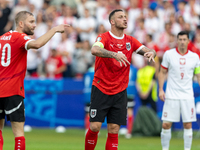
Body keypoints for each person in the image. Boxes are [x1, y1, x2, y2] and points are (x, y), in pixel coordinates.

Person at [85, 9, 156, 150]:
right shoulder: (104, 37)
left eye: (125, 17)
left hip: (119, 91)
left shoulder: (130, 40)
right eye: (120, 17)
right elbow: (94, 50)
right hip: (101, 88)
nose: (125, 19)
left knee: (114, 129)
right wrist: (113, 54)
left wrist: (151, 53)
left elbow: (148, 49)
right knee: (95, 126)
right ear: (112, 21)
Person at [0, 11, 70, 150]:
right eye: (31, 22)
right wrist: (55, 29)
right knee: (19, 133)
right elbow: (37, 44)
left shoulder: (2, 38)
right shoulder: (19, 37)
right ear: (21, 23)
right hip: (13, 90)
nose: (34, 25)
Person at [158, 31, 200, 150]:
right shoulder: (169, 54)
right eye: (180, 39)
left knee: (187, 124)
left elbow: (198, 75)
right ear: (177, 41)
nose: (182, 42)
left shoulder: (194, 57)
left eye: (184, 39)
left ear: (188, 41)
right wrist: (161, 89)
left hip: (187, 96)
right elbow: (162, 72)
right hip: (171, 95)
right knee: (166, 124)